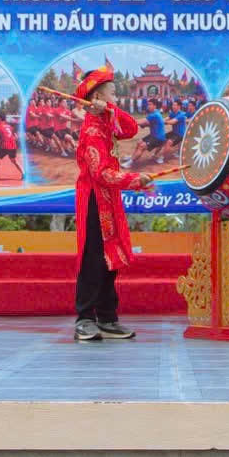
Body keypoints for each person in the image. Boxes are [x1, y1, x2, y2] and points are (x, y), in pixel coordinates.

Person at [72, 68, 156, 342]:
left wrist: (108, 109)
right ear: (97, 95)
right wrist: (135, 180)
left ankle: (107, 318)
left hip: (109, 198)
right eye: (112, 93)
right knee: (93, 257)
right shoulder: (92, 131)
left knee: (111, 256)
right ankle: (85, 318)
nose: (116, 96)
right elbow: (102, 174)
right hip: (94, 198)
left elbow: (131, 128)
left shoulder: (106, 121)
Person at [0, 113, 23, 182]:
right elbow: (16, 137)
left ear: (0, 118)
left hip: (4, 146)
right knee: (14, 161)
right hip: (13, 146)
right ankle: (23, 174)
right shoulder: (10, 126)